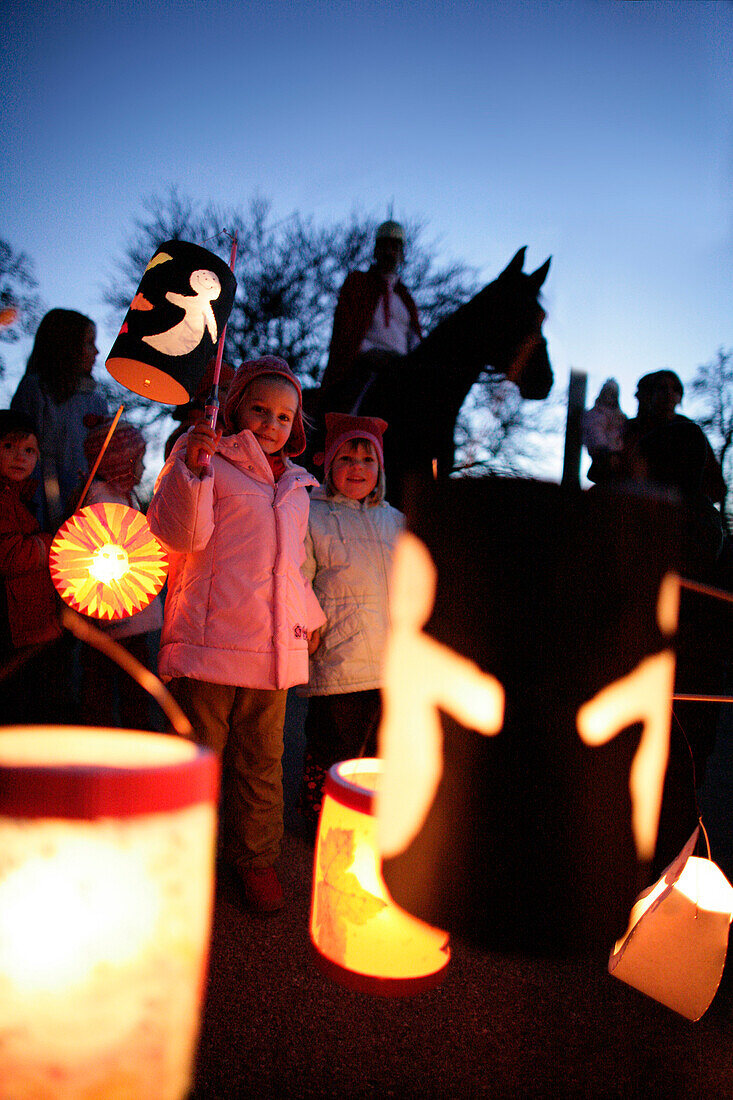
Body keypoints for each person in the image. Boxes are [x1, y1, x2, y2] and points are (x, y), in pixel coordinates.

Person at [147, 356, 325, 913]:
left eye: (283, 416)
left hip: (272, 652)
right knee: (197, 761)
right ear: (234, 408)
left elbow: (291, 565)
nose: (271, 424)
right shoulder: (206, 462)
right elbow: (181, 534)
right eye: (260, 410)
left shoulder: (298, 485)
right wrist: (192, 467)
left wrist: (309, 618)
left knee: (262, 764)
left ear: (295, 425)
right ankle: (183, 858)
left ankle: (256, 860)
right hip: (210, 647)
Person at [298, 413, 403, 833]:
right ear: (328, 466)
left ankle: (374, 821)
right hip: (340, 659)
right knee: (334, 748)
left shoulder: (394, 520)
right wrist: (309, 625)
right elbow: (298, 576)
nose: (357, 468)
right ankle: (320, 818)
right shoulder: (312, 515)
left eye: (367, 461)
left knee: (382, 749)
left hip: (390, 664)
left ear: (379, 469)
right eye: (346, 459)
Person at [76, 413, 164, 730]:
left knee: (126, 687)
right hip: (115, 613)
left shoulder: (121, 496)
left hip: (129, 613)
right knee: (114, 686)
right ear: (119, 462)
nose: (142, 468)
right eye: (137, 460)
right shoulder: (100, 500)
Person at [0, 409, 69, 723]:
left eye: (29, 450)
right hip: (12, 628)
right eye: (9, 447)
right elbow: (10, 556)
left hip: (29, 624)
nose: (20, 457)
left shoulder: (22, 498)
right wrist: (49, 542)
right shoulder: (4, 500)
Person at [11, 309, 108, 530]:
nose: (97, 351)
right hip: (35, 506)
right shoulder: (35, 391)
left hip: (83, 506)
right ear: (67, 347)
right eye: (89, 343)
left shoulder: (95, 401)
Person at [320, 220, 422, 411]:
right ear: (376, 251)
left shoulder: (406, 298)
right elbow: (345, 327)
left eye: (395, 247)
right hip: (364, 364)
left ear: (402, 254)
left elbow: (414, 338)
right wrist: (368, 352)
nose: (389, 252)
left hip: (401, 366)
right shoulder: (358, 283)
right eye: (384, 246)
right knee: (347, 407)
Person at [163, 356, 236, 460]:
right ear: (204, 395)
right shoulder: (188, 434)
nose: (230, 397)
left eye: (232, 391)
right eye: (224, 389)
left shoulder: (230, 432)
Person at [583, 378, 628, 483]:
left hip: (619, 458)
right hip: (604, 455)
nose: (610, 396)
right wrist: (605, 452)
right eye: (608, 392)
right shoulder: (595, 414)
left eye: (613, 394)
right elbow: (595, 433)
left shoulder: (620, 417)